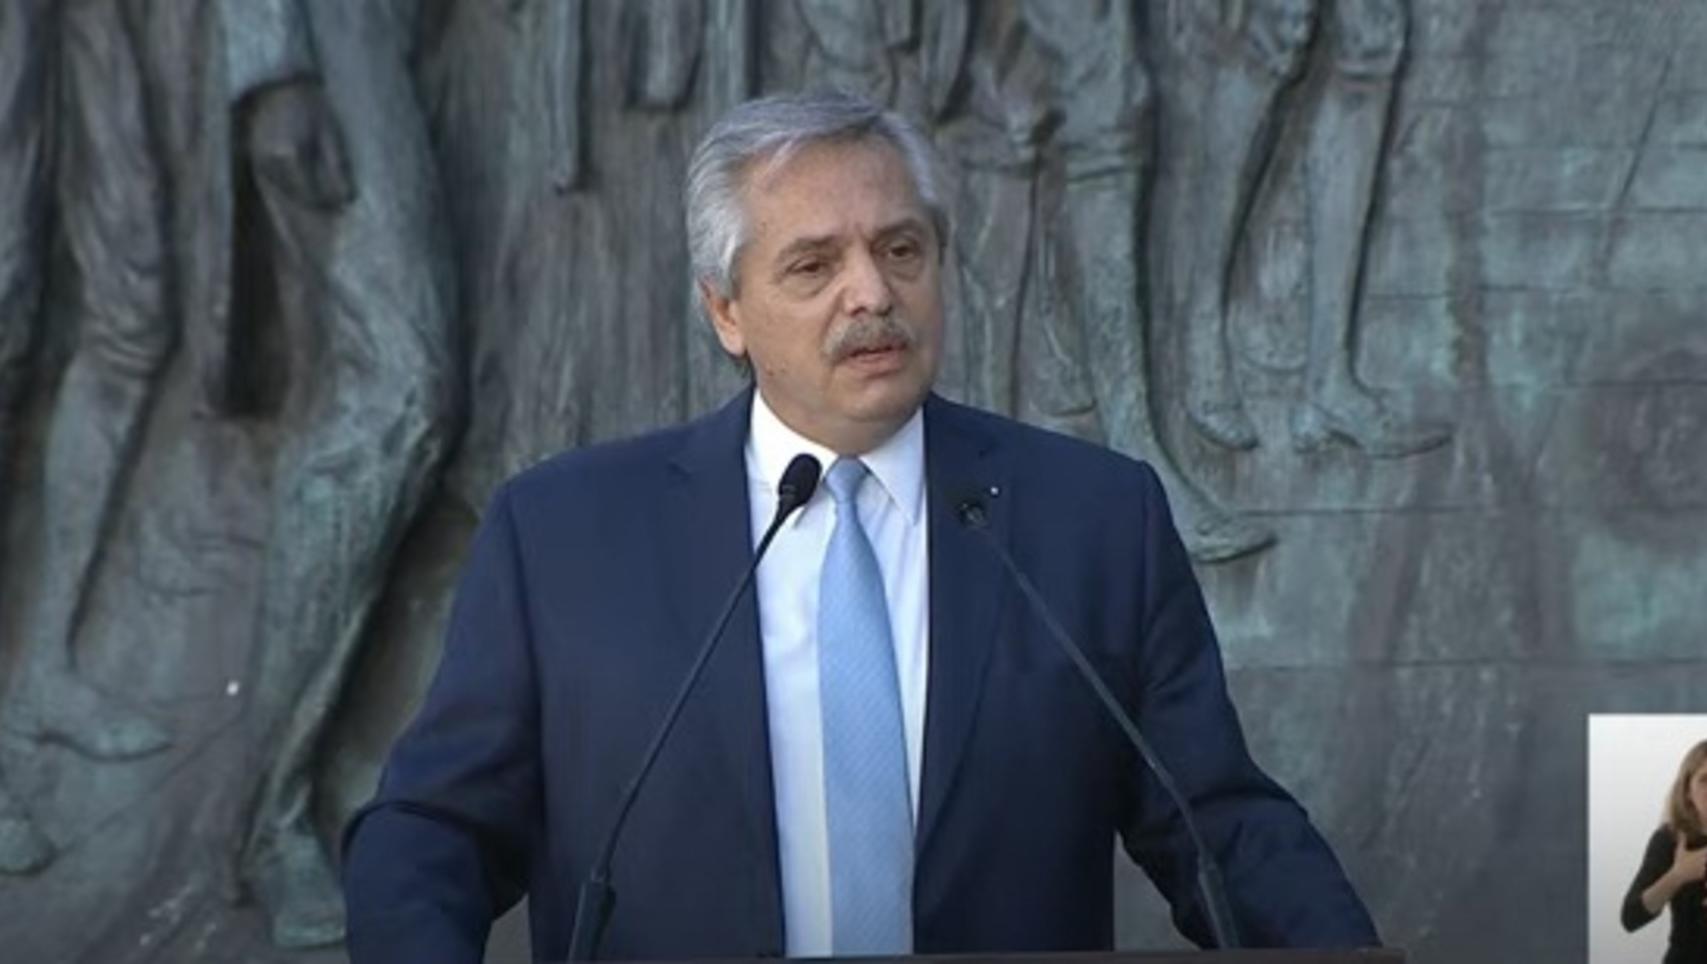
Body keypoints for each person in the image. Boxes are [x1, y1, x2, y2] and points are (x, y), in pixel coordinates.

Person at [342, 91, 1378, 961]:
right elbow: (431, 832)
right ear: (727, 312)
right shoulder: (565, 534)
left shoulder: (1094, 519)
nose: (873, 293)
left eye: (901, 248)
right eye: (813, 265)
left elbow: (1220, 827)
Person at [1621, 739, 1707, 963]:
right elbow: (1631, 918)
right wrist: (1678, 875)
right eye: (1705, 780)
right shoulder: (1670, 840)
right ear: (1688, 790)